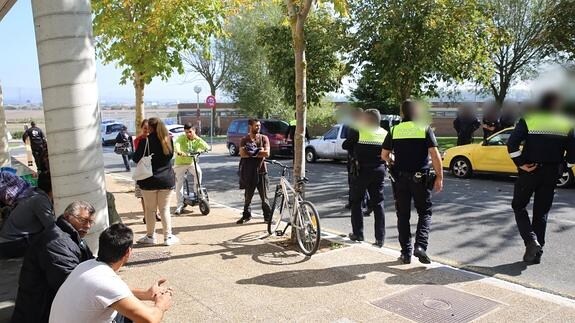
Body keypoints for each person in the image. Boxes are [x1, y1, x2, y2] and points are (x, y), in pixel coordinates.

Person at [49, 224, 173, 323]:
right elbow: (150, 319)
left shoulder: (86, 266)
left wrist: (146, 294)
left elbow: (115, 291)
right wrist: (161, 305)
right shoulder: (106, 282)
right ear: (128, 252)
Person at [507, 92, 575, 264]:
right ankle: (536, 253)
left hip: (530, 170)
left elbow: (512, 144)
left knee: (518, 205)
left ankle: (531, 241)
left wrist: (520, 163)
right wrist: (564, 166)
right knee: (541, 212)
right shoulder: (566, 123)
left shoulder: (530, 119)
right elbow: (574, 153)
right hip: (551, 173)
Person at [11, 201, 95, 323]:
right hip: (40, 311)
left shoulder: (71, 236)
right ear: (67, 216)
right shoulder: (57, 242)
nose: (88, 226)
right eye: (83, 220)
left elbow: (90, 264)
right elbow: (70, 282)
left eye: (90, 222)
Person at [381, 100, 443, 264]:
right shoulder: (424, 128)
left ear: (402, 113)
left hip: (400, 179)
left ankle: (406, 254)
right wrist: (439, 177)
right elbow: (435, 155)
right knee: (424, 213)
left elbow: (384, 155)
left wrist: (393, 159)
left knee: (403, 216)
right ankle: (420, 246)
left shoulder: (394, 130)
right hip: (420, 179)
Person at [342, 109, 387, 247]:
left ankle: (358, 234)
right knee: (378, 203)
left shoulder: (359, 130)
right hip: (379, 170)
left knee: (357, 202)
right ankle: (380, 238)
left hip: (361, 170)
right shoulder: (385, 133)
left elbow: (346, 145)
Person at [132, 117, 179, 246]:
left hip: (148, 181)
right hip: (166, 180)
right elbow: (169, 157)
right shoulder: (168, 140)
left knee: (150, 210)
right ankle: (167, 237)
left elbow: (136, 159)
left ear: (150, 127)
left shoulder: (145, 141)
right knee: (164, 209)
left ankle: (150, 236)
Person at [0, 172, 54, 258]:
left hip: (9, 242)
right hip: (12, 244)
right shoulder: (39, 199)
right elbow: (52, 227)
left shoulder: (33, 195)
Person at [236, 118, 272, 224]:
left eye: (259, 125)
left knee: (264, 196)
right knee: (248, 196)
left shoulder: (264, 138)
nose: (258, 127)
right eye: (256, 125)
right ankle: (246, 215)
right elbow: (242, 154)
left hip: (262, 171)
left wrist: (252, 152)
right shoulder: (244, 139)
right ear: (250, 126)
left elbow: (267, 153)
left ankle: (267, 217)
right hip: (248, 172)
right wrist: (259, 151)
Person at [173, 123, 210, 215]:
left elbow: (207, 146)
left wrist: (203, 150)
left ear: (194, 131)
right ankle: (179, 205)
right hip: (180, 163)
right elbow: (176, 144)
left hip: (191, 162)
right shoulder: (182, 138)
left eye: (190, 132)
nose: (188, 134)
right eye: (186, 132)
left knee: (198, 172)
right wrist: (179, 152)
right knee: (179, 183)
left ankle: (197, 191)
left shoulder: (197, 139)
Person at [133, 119, 161, 224]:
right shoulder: (139, 140)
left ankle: (155, 213)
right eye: (145, 128)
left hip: (154, 170)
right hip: (143, 170)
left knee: (156, 194)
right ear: (141, 129)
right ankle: (146, 215)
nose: (147, 130)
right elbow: (138, 156)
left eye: (148, 128)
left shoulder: (155, 139)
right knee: (143, 196)